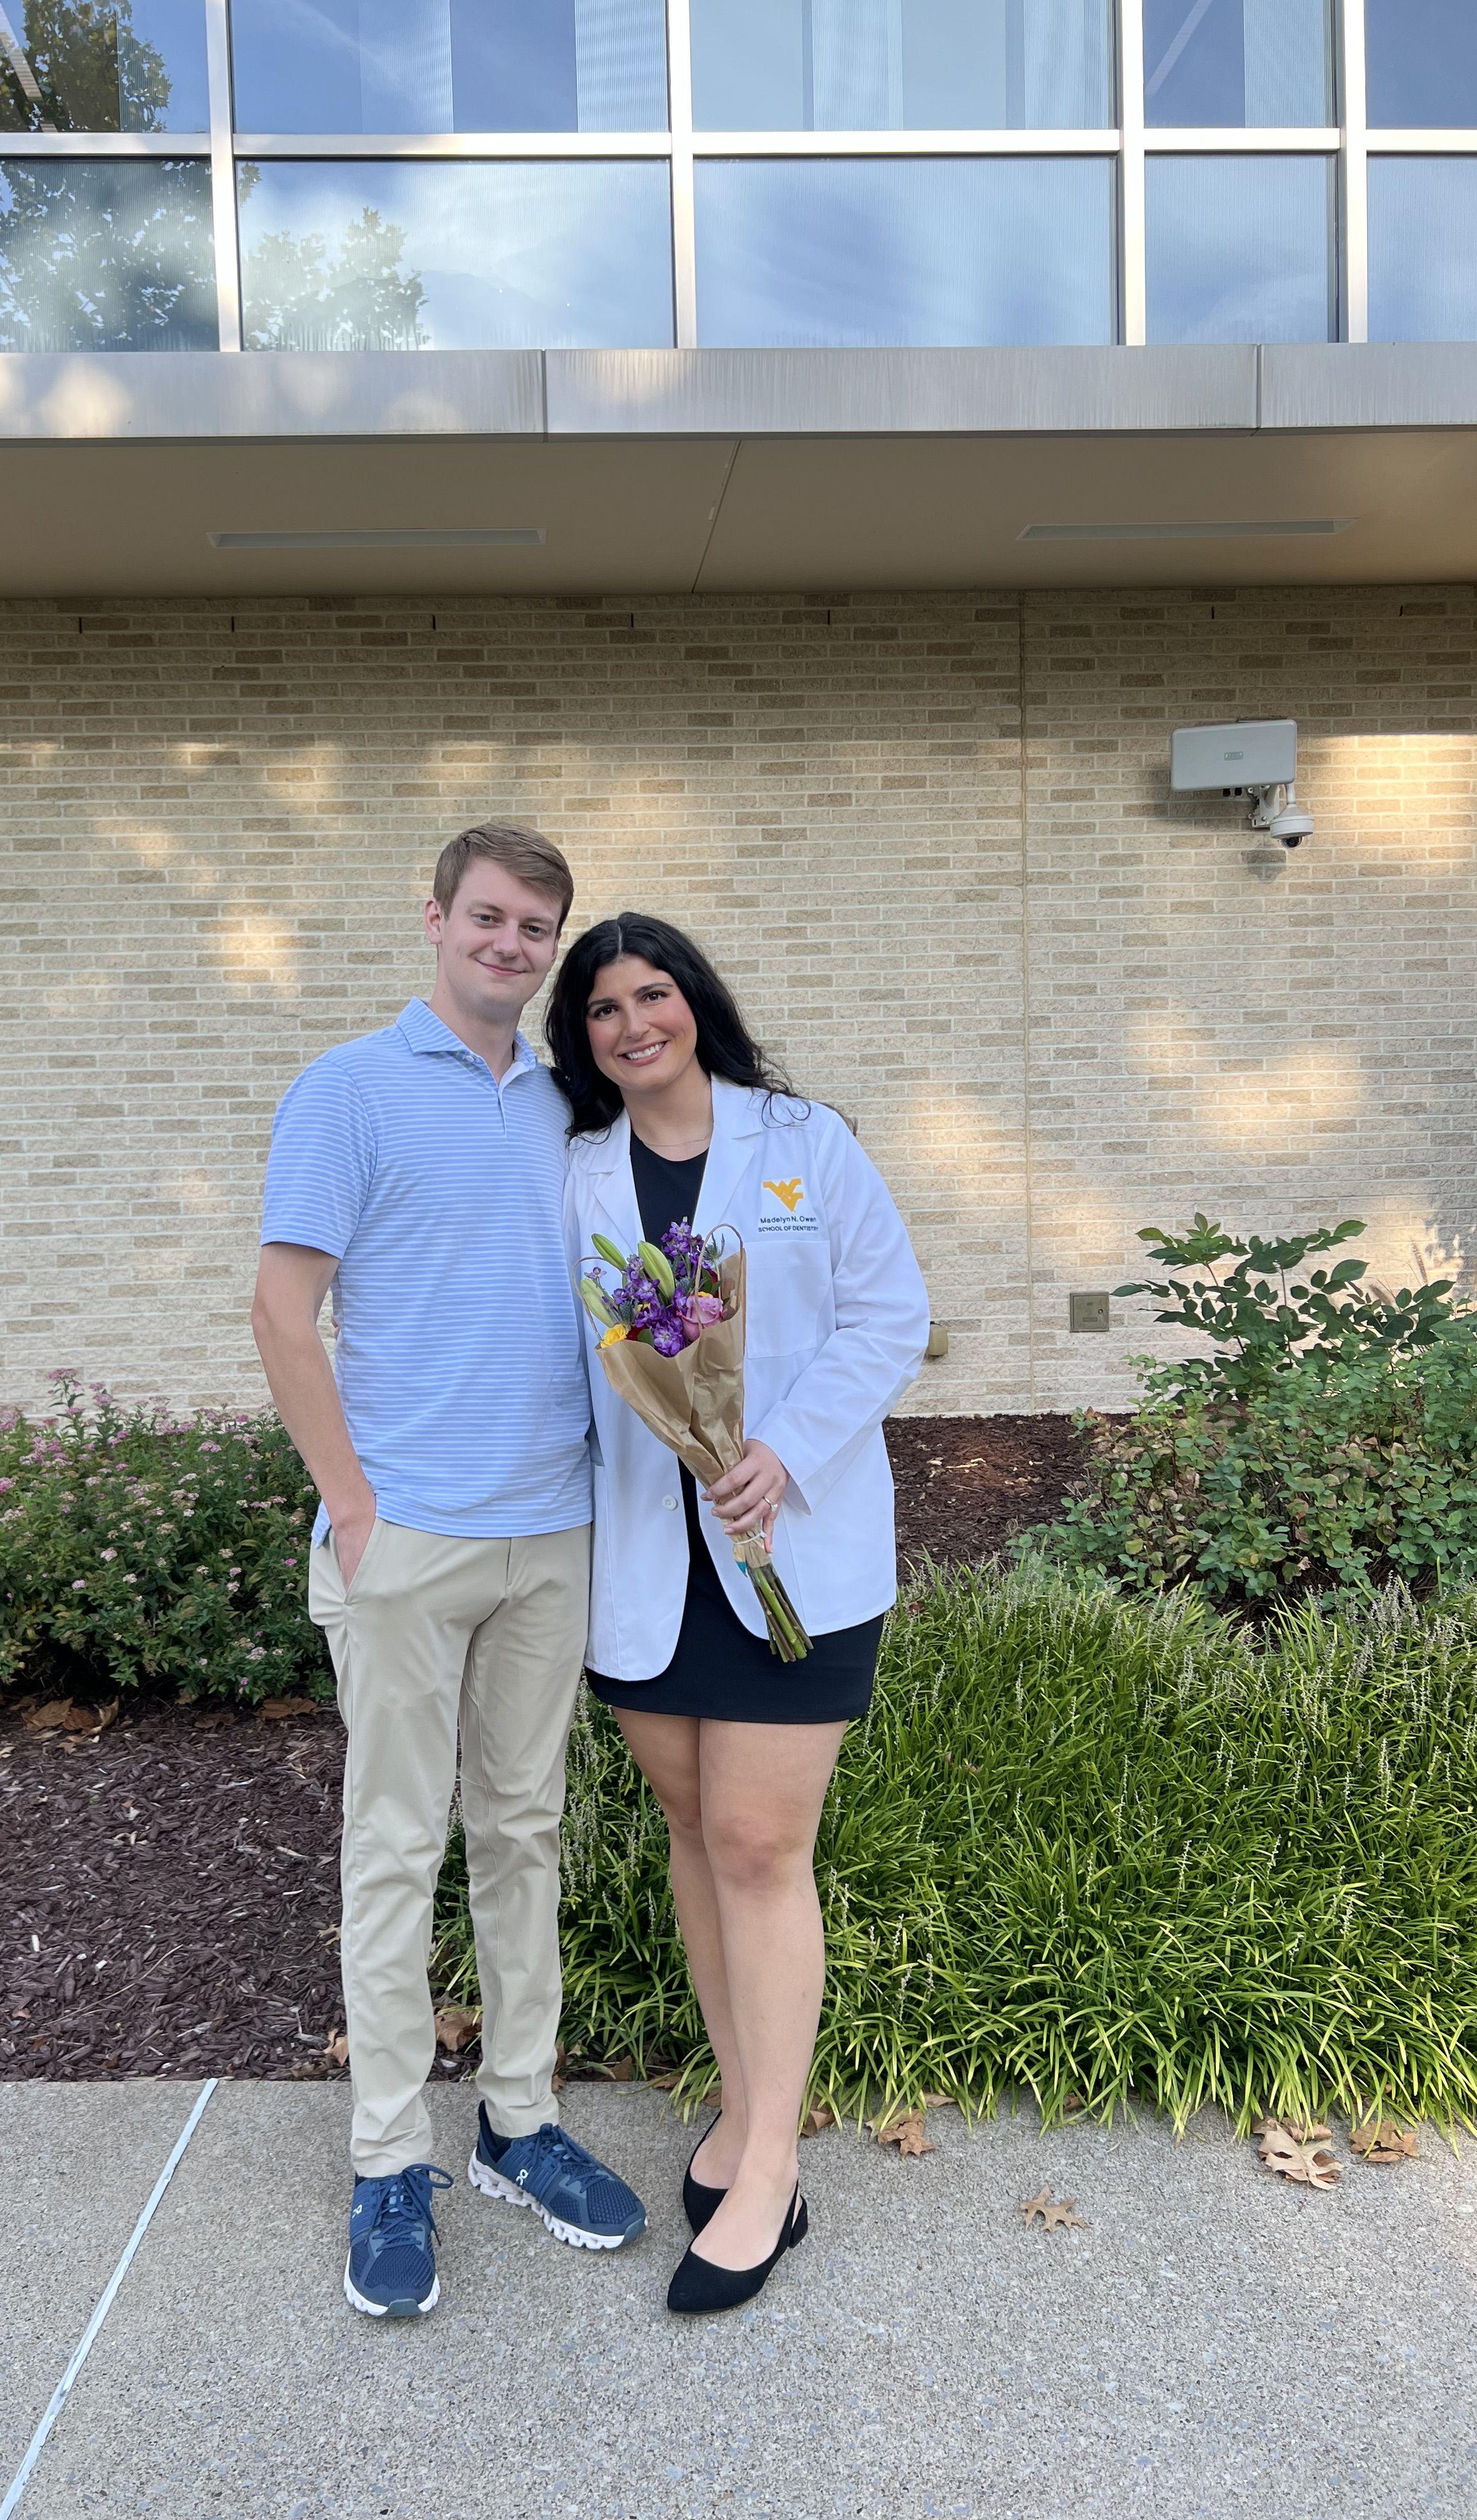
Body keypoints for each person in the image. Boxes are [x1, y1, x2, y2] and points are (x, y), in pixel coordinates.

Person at [252, 823, 647, 2321]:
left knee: (523, 1833)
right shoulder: (348, 1090)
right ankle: (386, 2159)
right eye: (488, 917)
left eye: (536, 928)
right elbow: (284, 1310)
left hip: (553, 1531)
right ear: (435, 919)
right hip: (407, 1538)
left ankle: (519, 2126)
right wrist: (352, 1508)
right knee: (396, 1850)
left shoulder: (570, 1106)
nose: (511, 945)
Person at [543, 913, 930, 2318]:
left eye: (653, 994)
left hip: (788, 1546)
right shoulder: (576, 1170)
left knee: (762, 1846)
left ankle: (772, 2158)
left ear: (694, 1002)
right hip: (651, 1562)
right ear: (581, 1037)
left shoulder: (803, 1143)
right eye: (603, 1008)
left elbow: (889, 1317)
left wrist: (785, 1450)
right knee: (698, 1836)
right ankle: (743, 2095)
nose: (632, 1024)